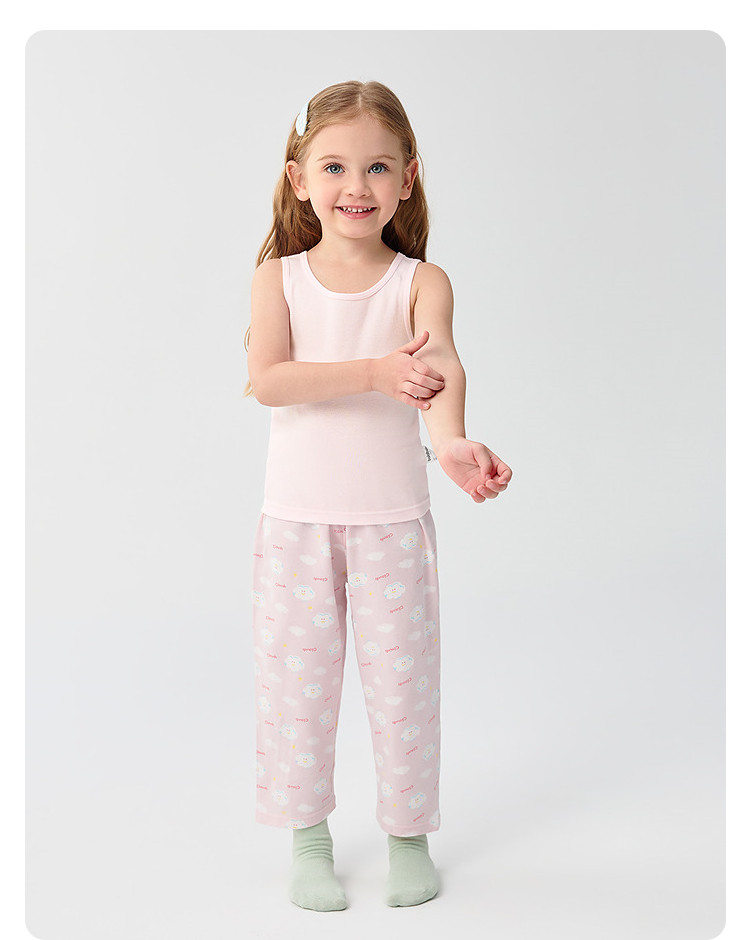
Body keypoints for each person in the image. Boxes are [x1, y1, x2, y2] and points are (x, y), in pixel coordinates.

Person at [243, 79, 512, 912]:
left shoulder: (421, 281)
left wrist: (452, 442)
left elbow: (442, 365)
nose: (355, 186)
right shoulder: (279, 279)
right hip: (296, 523)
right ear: (299, 180)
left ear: (408, 177)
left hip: (392, 522)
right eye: (334, 167)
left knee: (404, 692)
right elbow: (270, 380)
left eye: (377, 167)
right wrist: (371, 372)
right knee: (298, 692)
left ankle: (407, 838)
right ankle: (309, 841)